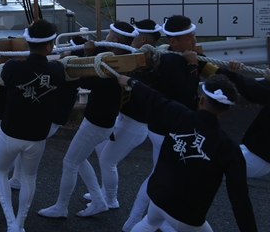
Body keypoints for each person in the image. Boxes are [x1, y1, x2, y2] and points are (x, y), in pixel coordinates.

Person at [123, 15, 238, 231]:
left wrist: (228, 72)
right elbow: (186, 94)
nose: (194, 41)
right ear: (174, 42)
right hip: (165, 129)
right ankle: (137, 221)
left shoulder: (180, 55)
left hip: (169, 127)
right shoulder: (171, 61)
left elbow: (207, 73)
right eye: (189, 38)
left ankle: (149, 221)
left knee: (163, 176)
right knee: (161, 176)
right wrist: (193, 65)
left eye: (194, 36)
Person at [116, 73, 257, 232]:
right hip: (187, 216)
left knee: (149, 223)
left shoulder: (179, 114)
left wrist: (131, 82)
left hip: (158, 197)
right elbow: (239, 197)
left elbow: (154, 98)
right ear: (227, 109)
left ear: (201, 100)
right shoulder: (228, 146)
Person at [38, 21, 136, 219]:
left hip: (97, 123)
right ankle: (99, 201)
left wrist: (87, 55)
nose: (105, 38)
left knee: (70, 163)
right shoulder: (124, 60)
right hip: (102, 120)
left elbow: (86, 81)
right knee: (79, 160)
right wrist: (85, 49)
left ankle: (61, 207)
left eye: (109, 35)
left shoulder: (110, 65)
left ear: (116, 40)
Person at [0, 20, 65, 232]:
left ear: (28, 42)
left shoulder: (12, 67)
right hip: (37, 137)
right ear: (49, 47)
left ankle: (10, 222)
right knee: (29, 178)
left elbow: (3, 76)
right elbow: (61, 69)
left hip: (10, 133)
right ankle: (20, 223)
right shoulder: (57, 70)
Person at [83, 19, 161, 209]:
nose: (131, 39)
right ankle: (104, 192)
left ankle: (111, 199)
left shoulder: (148, 63)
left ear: (143, 40)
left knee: (107, 160)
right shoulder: (138, 58)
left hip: (136, 124)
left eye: (134, 37)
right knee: (101, 150)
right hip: (124, 118)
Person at [217, 67, 270, 179]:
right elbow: (252, 89)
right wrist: (230, 73)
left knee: (206, 168)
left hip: (259, 158)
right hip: (252, 151)